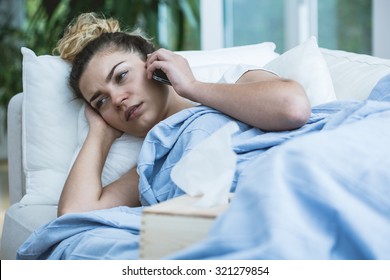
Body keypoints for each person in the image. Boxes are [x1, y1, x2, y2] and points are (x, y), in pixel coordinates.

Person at [55, 12, 311, 216]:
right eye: (101, 101)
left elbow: (294, 108)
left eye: (121, 76)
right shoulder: (150, 166)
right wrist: (100, 133)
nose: (117, 100)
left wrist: (193, 87)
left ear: (153, 62)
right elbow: (74, 213)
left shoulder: (233, 83)